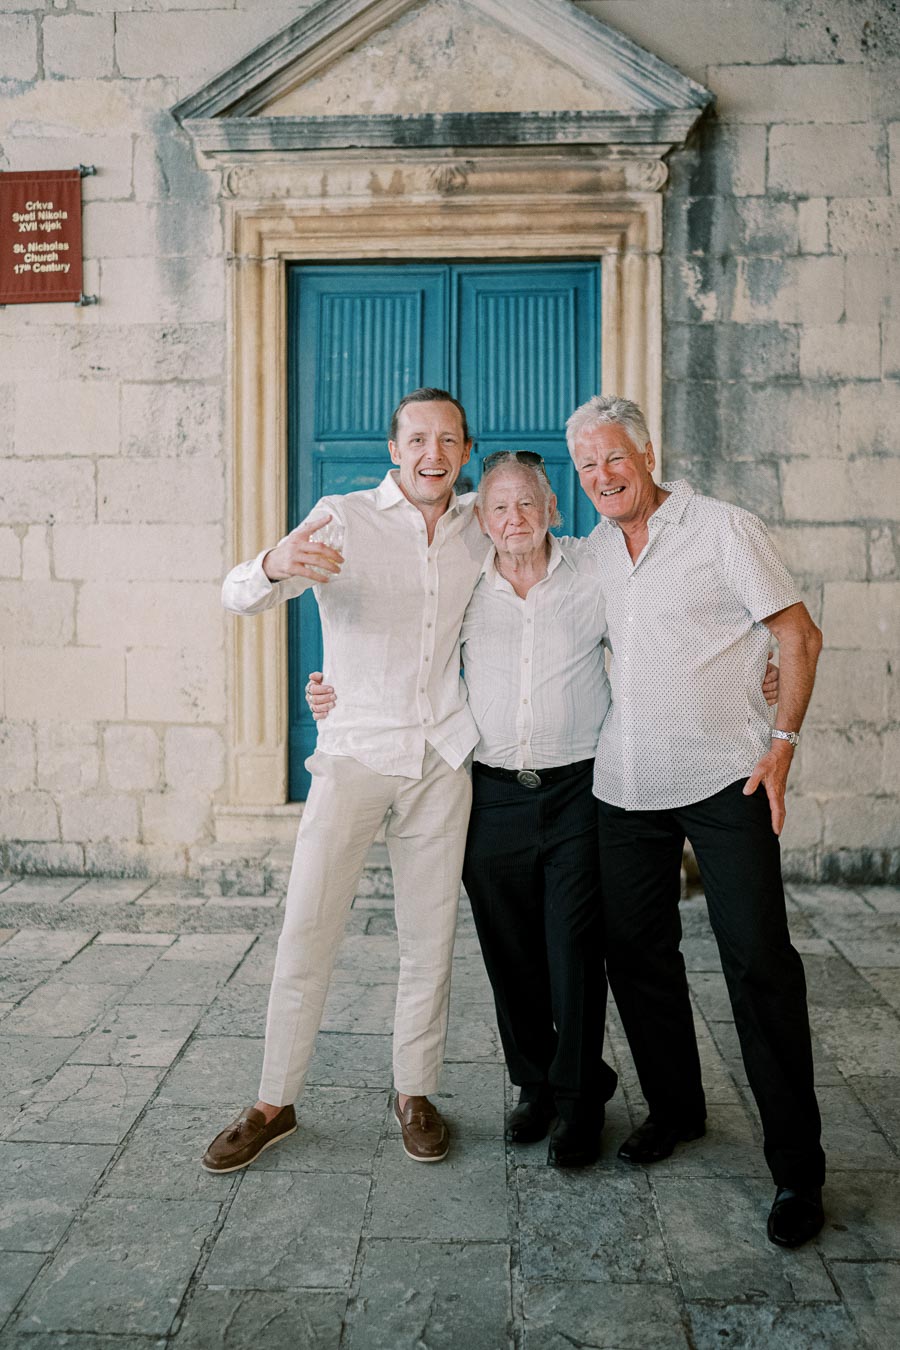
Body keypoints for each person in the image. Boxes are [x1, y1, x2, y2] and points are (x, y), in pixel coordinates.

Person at [202, 388, 488, 1173]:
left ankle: (415, 1091)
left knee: (429, 937)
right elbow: (238, 595)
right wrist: (272, 563)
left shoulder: (479, 528)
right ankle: (273, 1101)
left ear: (465, 451)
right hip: (356, 749)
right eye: (419, 439)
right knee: (308, 928)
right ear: (395, 449)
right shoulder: (342, 515)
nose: (434, 453)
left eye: (449, 440)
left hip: (440, 757)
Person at [568, 394, 826, 1248]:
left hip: (726, 778)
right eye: (587, 467)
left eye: (613, 459)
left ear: (646, 455)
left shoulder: (722, 529)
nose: (602, 477)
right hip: (626, 783)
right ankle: (677, 1110)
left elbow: (799, 634)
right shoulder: (597, 550)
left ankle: (797, 1171)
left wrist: (781, 741)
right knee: (636, 956)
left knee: (759, 963)